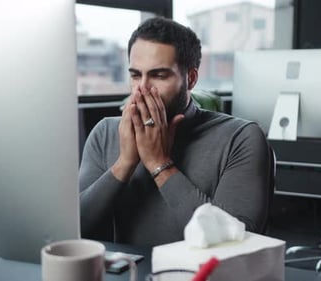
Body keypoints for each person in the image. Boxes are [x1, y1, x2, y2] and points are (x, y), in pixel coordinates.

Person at [79, 17, 270, 246]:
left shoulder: (240, 138)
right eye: (135, 75)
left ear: (190, 78)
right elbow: (77, 227)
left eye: (159, 75)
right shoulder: (106, 132)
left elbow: (236, 242)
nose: (142, 88)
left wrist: (158, 162)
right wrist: (125, 163)